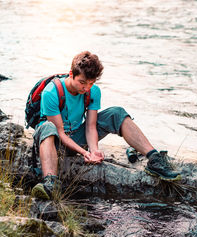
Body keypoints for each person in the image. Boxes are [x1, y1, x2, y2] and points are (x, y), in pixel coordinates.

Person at [31, 51, 181, 200]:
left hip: (75, 137)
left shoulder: (93, 91)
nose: (86, 88)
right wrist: (84, 153)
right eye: (82, 82)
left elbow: (90, 126)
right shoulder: (51, 92)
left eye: (91, 83)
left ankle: (154, 159)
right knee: (48, 127)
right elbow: (61, 133)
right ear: (71, 74)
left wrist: (94, 151)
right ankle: (50, 183)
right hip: (54, 142)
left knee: (116, 113)